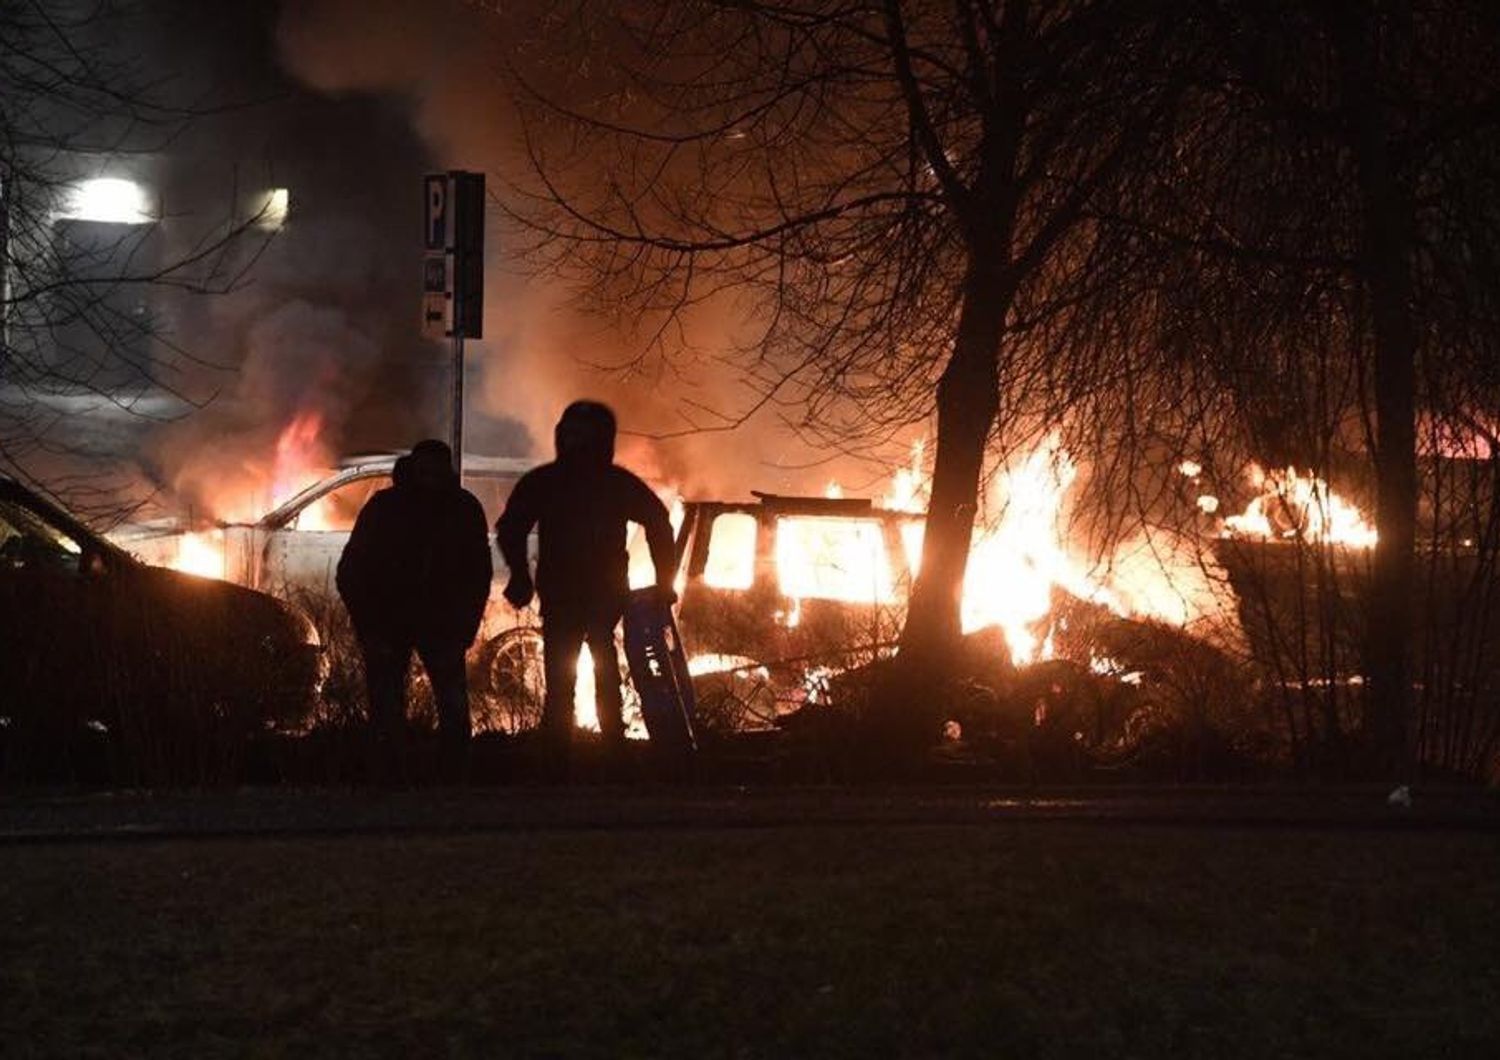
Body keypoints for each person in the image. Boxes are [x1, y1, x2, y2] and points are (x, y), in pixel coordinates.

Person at [495, 401, 675, 769]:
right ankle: (606, 753)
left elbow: (511, 527)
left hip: (574, 593)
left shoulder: (549, 481)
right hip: (591, 593)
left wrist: (521, 575)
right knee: (596, 666)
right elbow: (658, 522)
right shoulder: (611, 483)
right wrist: (664, 583)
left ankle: (564, 756)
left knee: (568, 673)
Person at [337, 439, 492, 782]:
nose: (431, 478)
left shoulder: (462, 509)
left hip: (440, 625)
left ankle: (450, 782)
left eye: (437, 471)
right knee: (387, 708)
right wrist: (370, 628)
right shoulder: (386, 508)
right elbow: (352, 571)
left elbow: (478, 573)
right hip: (391, 622)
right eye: (425, 471)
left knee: (451, 708)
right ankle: (389, 780)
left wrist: (465, 626)